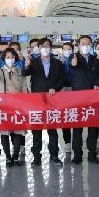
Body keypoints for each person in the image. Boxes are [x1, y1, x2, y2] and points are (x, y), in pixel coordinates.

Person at [22, 38, 65, 166]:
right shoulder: (33, 62)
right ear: (39, 48)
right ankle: (36, 157)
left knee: (52, 129)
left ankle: (54, 155)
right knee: (36, 130)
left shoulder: (57, 63)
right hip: (37, 100)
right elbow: (25, 73)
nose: (44, 48)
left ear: (50, 48)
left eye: (47, 46)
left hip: (52, 100)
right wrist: (26, 65)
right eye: (42, 46)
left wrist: (55, 87)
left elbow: (62, 80)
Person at [0, 48, 28, 167]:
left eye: (12, 57)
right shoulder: (0, 71)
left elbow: (24, 87)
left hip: (18, 105)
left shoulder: (20, 71)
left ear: (15, 59)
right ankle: (7, 157)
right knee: (4, 132)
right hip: (4, 105)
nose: (10, 59)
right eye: (7, 57)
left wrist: (26, 103)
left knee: (17, 131)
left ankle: (15, 156)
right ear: (4, 59)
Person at [69, 35, 99, 164]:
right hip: (78, 97)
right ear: (78, 45)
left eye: (88, 43)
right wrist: (73, 63)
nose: (86, 46)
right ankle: (77, 155)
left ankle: (92, 153)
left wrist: (97, 83)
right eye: (83, 43)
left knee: (93, 128)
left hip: (93, 98)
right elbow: (72, 64)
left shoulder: (95, 59)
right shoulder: (74, 57)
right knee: (77, 128)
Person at [60, 41, 74, 154]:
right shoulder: (59, 63)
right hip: (63, 91)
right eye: (65, 49)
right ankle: (67, 142)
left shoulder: (77, 61)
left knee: (78, 114)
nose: (67, 51)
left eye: (69, 49)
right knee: (65, 117)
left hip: (76, 90)